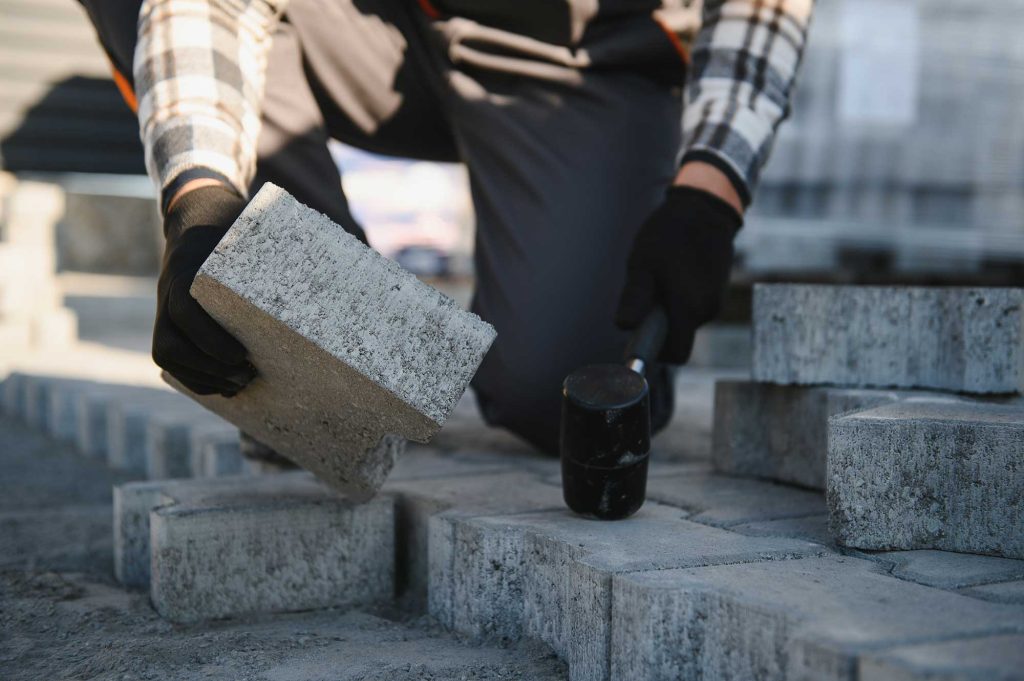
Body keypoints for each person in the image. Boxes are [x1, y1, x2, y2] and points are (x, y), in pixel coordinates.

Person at [80, 0, 814, 455]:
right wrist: (201, 203)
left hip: (588, 55)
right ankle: (327, 349)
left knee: (559, 396)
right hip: (373, 22)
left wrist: (709, 192)